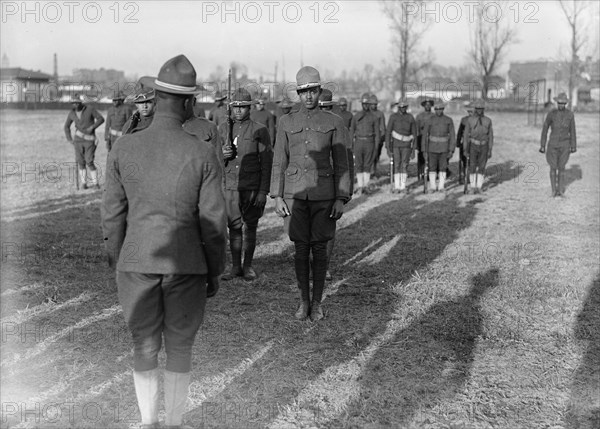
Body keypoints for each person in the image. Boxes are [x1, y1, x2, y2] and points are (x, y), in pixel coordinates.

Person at [101, 55, 227, 429]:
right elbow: (213, 223)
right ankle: (173, 423)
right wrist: (215, 271)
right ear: (189, 102)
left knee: (143, 345)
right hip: (186, 265)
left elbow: (112, 216)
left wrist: (118, 259)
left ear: (155, 97)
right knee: (181, 347)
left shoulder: (124, 148)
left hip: (136, 263)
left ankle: (146, 422)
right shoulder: (202, 153)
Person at [270, 66, 350, 322]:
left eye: (313, 91)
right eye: (303, 92)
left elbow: (342, 163)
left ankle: (317, 303)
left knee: (321, 249)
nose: (308, 96)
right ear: (298, 94)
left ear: (319, 90)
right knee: (301, 249)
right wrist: (278, 196)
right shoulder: (286, 121)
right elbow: (278, 161)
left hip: (324, 195)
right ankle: (303, 301)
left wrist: (341, 197)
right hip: (294, 196)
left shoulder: (334, 123)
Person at [218, 88, 273, 281]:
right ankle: (235, 267)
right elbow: (214, 160)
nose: (239, 111)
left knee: (250, 227)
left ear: (249, 108)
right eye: (236, 107)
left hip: (251, 186)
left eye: (243, 107)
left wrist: (262, 191)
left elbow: (267, 163)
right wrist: (222, 155)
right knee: (233, 226)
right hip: (230, 186)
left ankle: (248, 265)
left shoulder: (260, 130)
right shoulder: (223, 128)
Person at [318, 89, 354, 281]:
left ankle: (323, 267)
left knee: (328, 230)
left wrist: (346, 190)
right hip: (311, 185)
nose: (324, 111)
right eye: (320, 107)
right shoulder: (306, 126)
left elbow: (348, 161)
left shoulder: (341, 128)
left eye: (328, 107)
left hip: (332, 185)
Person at [64, 94, 105, 190]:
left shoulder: (90, 109)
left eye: (77, 103)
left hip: (90, 140)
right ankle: (84, 183)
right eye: (74, 103)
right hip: (78, 141)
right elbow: (66, 127)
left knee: (89, 161)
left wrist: (92, 127)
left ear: (81, 103)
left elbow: (101, 119)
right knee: (81, 162)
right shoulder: (71, 113)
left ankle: (95, 183)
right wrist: (70, 139)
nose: (76, 105)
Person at [539, 92, 576, 197]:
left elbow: (573, 131)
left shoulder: (570, 115)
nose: (561, 105)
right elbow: (545, 129)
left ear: (566, 104)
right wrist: (542, 145)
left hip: (565, 144)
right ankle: (553, 191)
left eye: (563, 103)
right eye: (559, 103)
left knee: (562, 167)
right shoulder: (551, 114)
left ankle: (560, 190)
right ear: (557, 103)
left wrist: (573, 146)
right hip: (553, 145)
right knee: (553, 167)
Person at [350, 93, 380, 195]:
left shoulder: (374, 117)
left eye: (367, 104)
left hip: (369, 142)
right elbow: (352, 131)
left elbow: (377, 134)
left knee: (367, 164)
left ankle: (366, 185)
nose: (366, 106)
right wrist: (351, 145)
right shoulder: (356, 116)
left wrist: (376, 147)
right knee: (359, 164)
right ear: (361, 104)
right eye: (364, 104)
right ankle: (360, 186)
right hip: (358, 141)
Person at [385, 100, 417, 193]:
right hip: (395, 145)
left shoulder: (410, 117)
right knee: (397, 165)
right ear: (398, 107)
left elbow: (414, 134)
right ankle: (396, 186)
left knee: (404, 165)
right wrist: (387, 147)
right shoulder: (393, 117)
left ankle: (402, 187)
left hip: (406, 146)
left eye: (404, 107)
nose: (402, 109)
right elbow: (388, 132)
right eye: (401, 107)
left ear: (406, 107)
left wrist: (413, 150)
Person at [423, 102, 455, 192]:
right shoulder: (430, 120)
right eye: (437, 109)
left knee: (443, 167)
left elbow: (452, 135)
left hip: (444, 148)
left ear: (443, 109)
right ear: (434, 109)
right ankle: (433, 187)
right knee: (432, 167)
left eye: (440, 109)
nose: (438, 111)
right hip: (431, 148)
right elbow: (425, 136)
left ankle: (441, 186)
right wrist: (424, 150)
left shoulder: (448, 120)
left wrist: (451, 150)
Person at [464, 99, 493, 194]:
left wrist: (490, 149)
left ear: (483, 109)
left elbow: (491, 136)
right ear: (475, 109)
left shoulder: (488, 120)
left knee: (482, 166)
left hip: (484, 146)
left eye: (481, 109)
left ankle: (479, 187)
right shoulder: (470, 120)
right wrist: (465, 148)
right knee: (472, 166)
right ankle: (472, 187)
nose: (479, 110)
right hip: (473, 145)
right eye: (477, 109)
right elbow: (465, 135)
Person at [415, 98, 435, 181]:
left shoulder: (434, 116)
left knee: (431, 155)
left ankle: (431, 172)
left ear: (431, 106)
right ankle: (421, 173)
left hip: (431, 138)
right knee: (421, 156)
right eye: (426, 105)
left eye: (429, 105)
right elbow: (416, 129)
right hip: (421, 138)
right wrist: (416, 142)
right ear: (423, 106)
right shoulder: (419, 116)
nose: (427, 106)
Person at [455, 101, 474, 184]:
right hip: (465, 142)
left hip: (474, 143)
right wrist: (458, 142)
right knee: (464, 159)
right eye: (469, 111)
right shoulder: (464, 120)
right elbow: (460, 132)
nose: (470, 113)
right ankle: (465, 175)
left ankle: (472, 176)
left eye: (472, 111)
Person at [369, 94, 386, 176]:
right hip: (368, 137)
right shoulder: (366, 113)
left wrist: (381, 138)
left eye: (375, 104)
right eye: (372, 104)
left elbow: (383, 127)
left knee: (376, 155)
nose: (374, 106)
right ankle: (370, 171)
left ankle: (374, 171)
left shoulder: (380, 114)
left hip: (378, 138)